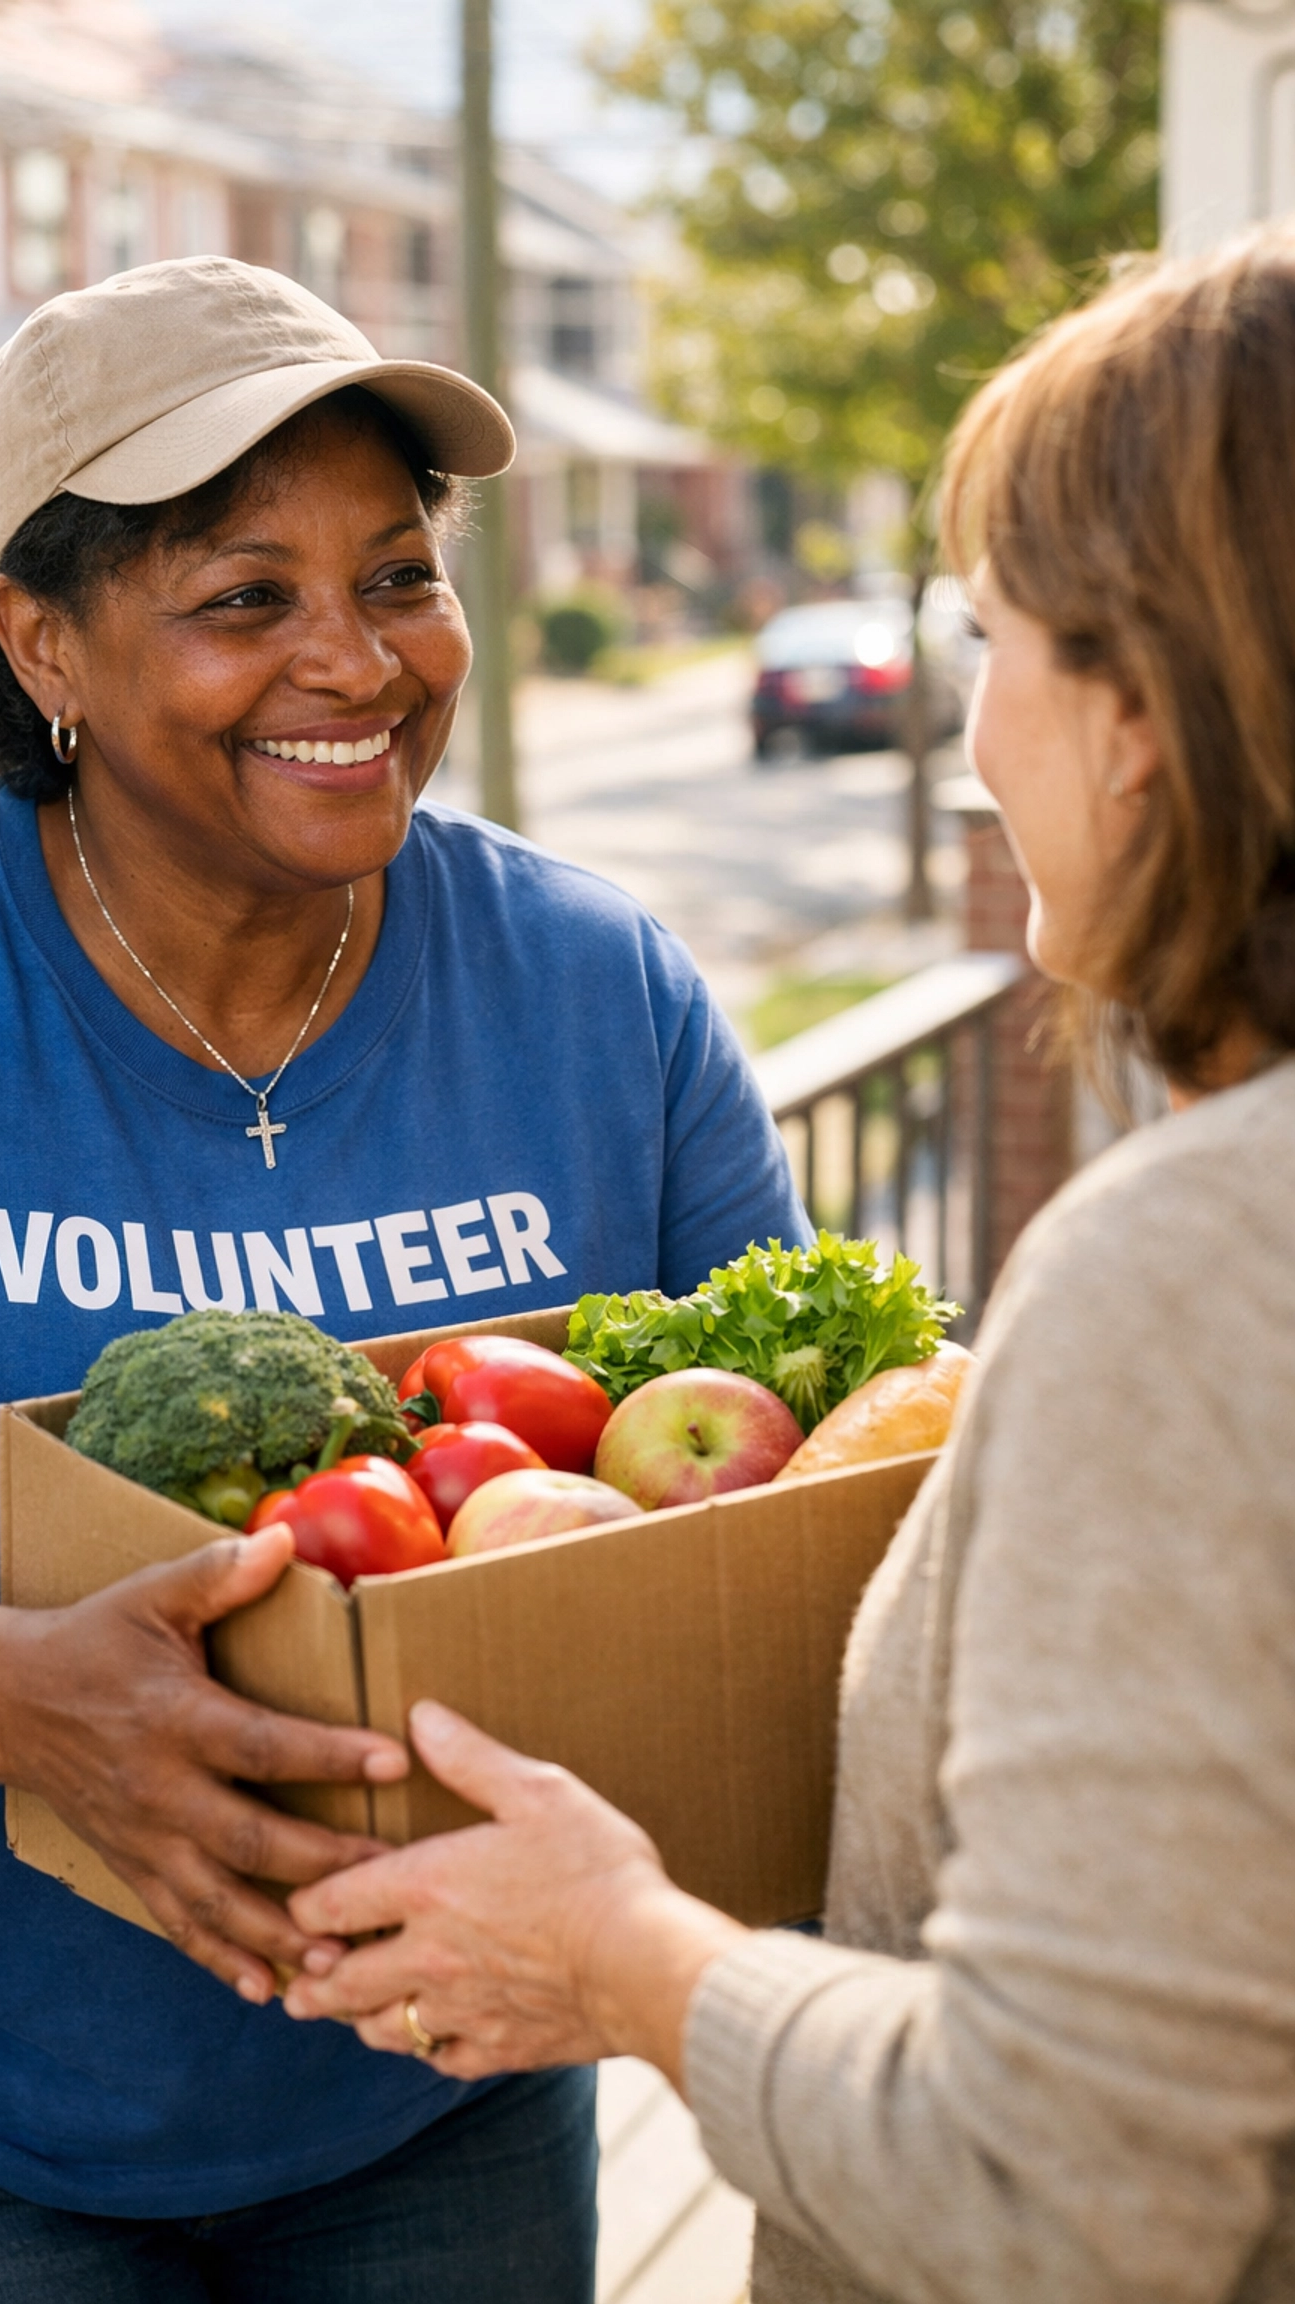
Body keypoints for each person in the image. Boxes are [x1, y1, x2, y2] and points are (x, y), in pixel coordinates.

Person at [0, 257, 809, 2302]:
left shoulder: (601, 994)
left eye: (401, 575)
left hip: (443, 2097)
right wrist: (25, 1704)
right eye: (246, 598)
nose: (361, 660)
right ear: (42, 639)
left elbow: (800, 1505)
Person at [280, 229, 1295, 2304]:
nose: (972, 732)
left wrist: (625, 1955)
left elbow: (1071, 2191)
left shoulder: (1199, 1265)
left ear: (1138, 714)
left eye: (984, 637)